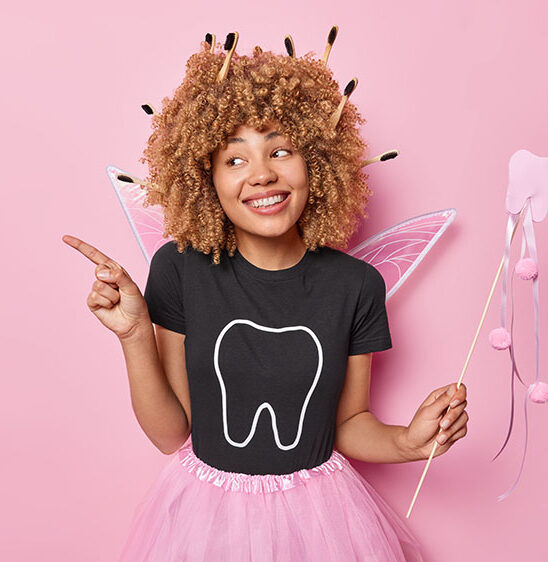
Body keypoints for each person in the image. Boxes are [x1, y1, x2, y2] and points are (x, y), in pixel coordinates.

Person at [63, 32, 468, 561]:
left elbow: (347, 425)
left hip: (321, 519)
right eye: (234, 159)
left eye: (281, 150)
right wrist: (136, 333)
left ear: (317, 163)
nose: (262, 174)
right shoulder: (180, 270)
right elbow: (171, 434)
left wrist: (408, 443)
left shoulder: (355, 286)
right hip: (208, 519)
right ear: (204, 178)